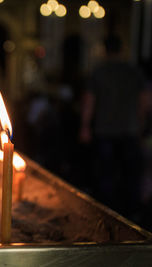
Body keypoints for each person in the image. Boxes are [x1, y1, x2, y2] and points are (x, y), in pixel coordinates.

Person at [79, 34, 150, 218]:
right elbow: (145, 101)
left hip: (105, 130)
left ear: (104, 50)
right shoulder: (133, 71)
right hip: (130, 129)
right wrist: (141, 123)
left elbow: (89, 101)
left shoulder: (99, 72)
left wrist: (85, 126)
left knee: (106, 175)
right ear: (122, 49)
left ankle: (106, 214)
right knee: (130, 176)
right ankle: (131, 216)